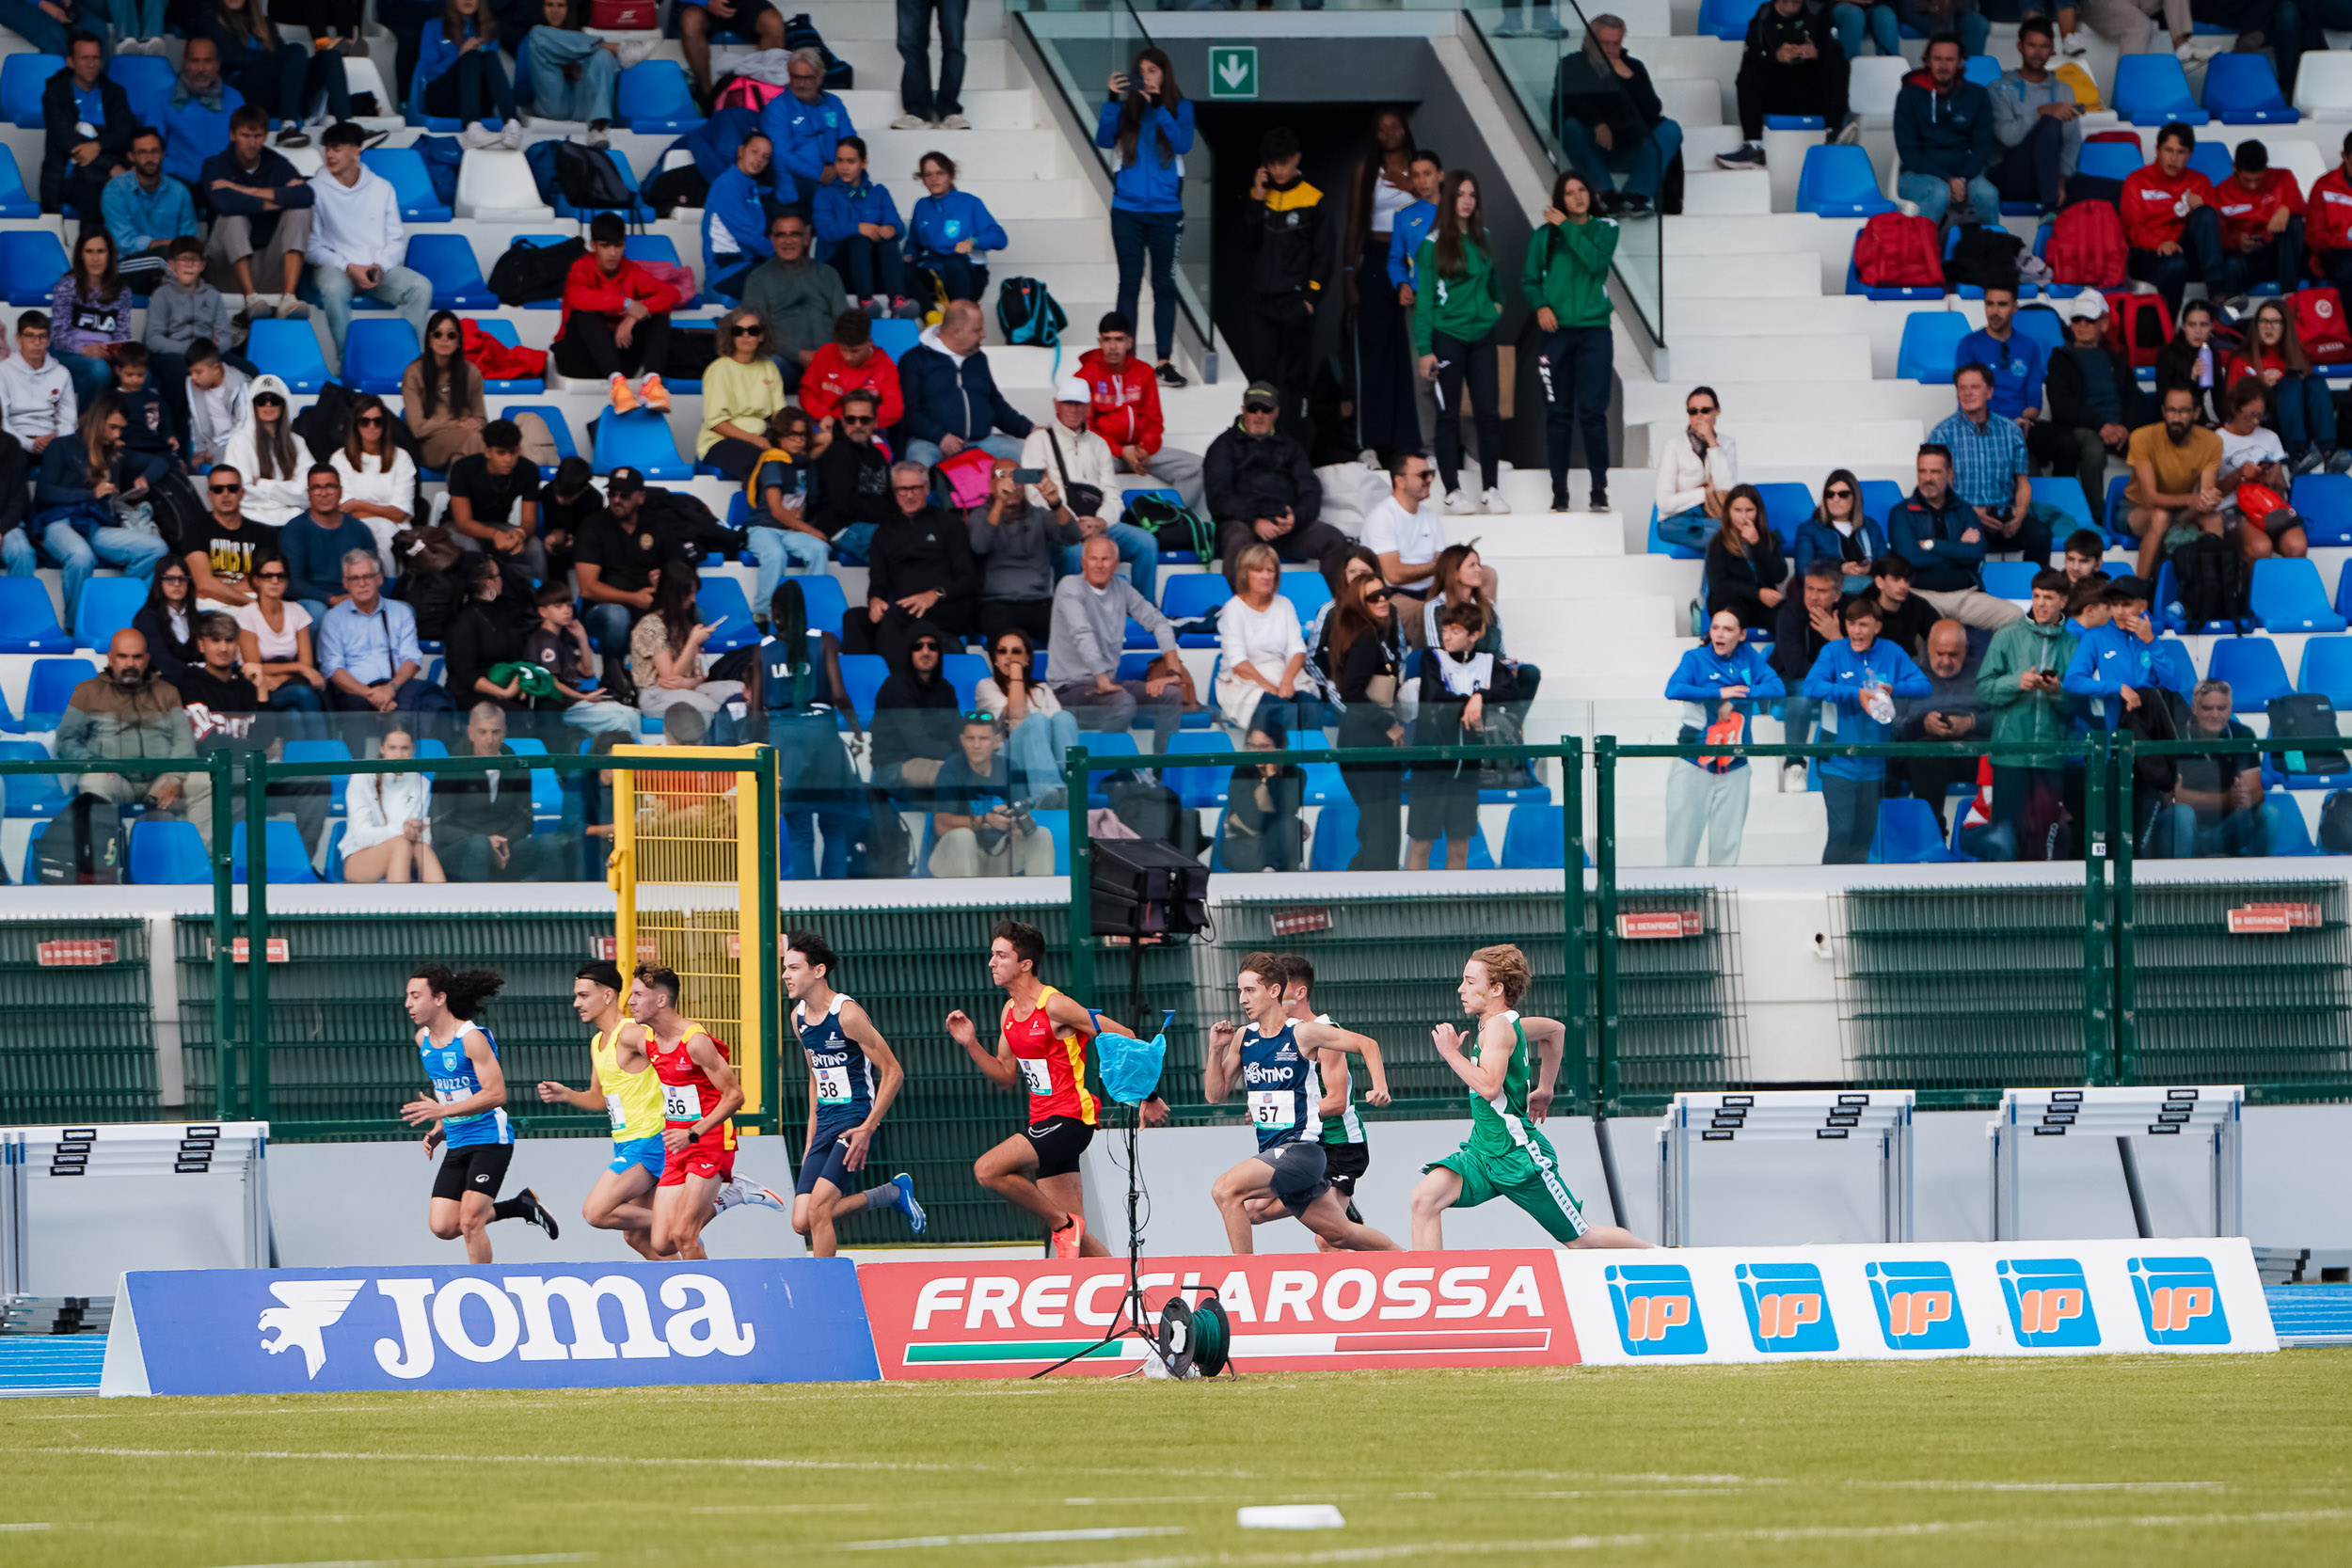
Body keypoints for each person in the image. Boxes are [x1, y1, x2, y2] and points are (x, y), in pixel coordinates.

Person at [1408, 944, 1647, 1250]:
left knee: (1582, 1240)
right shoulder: (1508, 1023)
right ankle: (1431, 1278)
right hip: (1483, 1152)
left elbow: (1489, 1087)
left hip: (1518, 1157)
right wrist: (1545, 1089)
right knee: (1424, 1200)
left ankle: (1665, 1257)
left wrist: (1451, 1053)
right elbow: (1555, 1031)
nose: (1461, 989)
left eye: (1470, 982)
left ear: (1496, 989)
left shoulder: (1497, 1029)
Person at [948, 919, 1133, 1258]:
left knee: (987, 1170)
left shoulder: (1055, 1005)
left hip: (1070, 1119)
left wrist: (1144, 1094)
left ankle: (1062, 1224)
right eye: (992, 955)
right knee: (1075, 1240)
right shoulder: (1009, 1011)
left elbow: (1125, 1036)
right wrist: (971, 1043)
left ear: (1025, 964)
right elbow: (1005, 1075)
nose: (991, 963)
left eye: (1001, 956)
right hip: (1043, 1121)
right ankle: (1124, 1284)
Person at [1203, 957, 1400, 1254]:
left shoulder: (1302, 1032)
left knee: (1225, 1190)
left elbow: (1366, 1044)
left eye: (1250, 990)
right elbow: (1215, 1095)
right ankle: (1408, 1259)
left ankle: (1244, 1275)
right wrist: (1215, 1049)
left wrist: (1380, 1086)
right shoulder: (1244, 1037)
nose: (1242, 999)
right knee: (1340, 1235)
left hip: (1302, 1151)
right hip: (1274, 1150)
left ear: (1274, 991)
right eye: (1240, 991)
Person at [395, 967, 556, 1264]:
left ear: (439, 998)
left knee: (471, 1221)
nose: (408, 1004)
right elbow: (448, 1090)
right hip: (458, 1141)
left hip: (489, 1138)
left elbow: (496, 1094)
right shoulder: (423, 1040)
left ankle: (480, 1284)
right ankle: (520, 1205)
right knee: (443, 1226)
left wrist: (442, 1111)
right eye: (408, 996)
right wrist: (440, 1126)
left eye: (415, 996)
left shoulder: (470, 1038)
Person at [783, 932, 922, 1258]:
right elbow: (815, 1076)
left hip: (854, 1121)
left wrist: (868, 1127)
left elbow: (893, 1071)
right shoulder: (798, 1018)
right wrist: (811, 1137)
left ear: (818, 971)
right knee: (801, 1221)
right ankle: (890, 1193)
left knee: (819, 1210)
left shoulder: (846, 1014)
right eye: (785, 968)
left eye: (794, 968)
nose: (786, 975)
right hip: (825, 1124)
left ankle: (824, 1284)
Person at [533, 962, 665, 1258]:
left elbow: (672, 1052)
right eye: (576, 996)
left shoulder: (630, 1034)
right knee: (638, 1237)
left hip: (649, 1140)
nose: (576, 1003)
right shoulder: (598, 1042)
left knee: (596, 1211)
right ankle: (689, 1262)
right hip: (625, 1142)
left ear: (607, 996)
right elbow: (598, 1098)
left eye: (583, 995)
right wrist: (566, 1094)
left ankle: (685, 1221)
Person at [631, 962, 755, 1261]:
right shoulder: (648, 1041)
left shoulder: (695, 1042)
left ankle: (710, 1290)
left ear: (661, 999)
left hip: (708, 1141)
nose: (630, 1002)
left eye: (638, 994)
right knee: (662, 1242)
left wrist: (693, 1132)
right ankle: (732, 1196)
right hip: (676, 1144)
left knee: (685, 1235)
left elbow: (735, 1096)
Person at [21, 396, 172, 627]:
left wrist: (144, 478)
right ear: (97, 421)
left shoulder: (114, 453)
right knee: (81, 556)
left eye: (121, 429)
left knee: (157, 549)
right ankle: (75, 627)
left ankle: (121, 610)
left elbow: (161, 462)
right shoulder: (62, 446)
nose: (117, 434)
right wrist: (91, 493)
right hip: (59, 521)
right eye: (113, 427)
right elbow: (45, 492)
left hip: (96, 525)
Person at [1804, 594, 1931, 862]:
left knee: (1864, 835)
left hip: (1874, 764)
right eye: (1851, 624)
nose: (1856, 631)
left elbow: (1924, 686)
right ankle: (1829, 886)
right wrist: (1855, 693)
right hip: (1837, 761)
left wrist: (1894, 689)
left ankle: (1854, 888)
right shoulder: (1833, 652)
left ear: (1877, 627)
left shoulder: (1892, 652)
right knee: (1842, 831)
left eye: (1863, 624)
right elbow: (1811, 686)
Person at [1275, 953, 1391, 1244]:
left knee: (1328, 1240)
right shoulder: (1286, 1037)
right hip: (1309, 1143)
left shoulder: (1325, 1033)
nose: (1272, 995)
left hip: (1341, 1145)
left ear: (1300, 992)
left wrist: (1286, 1112)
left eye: (1279, 988)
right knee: (1254, 1209)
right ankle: (1343, 1212)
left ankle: (1403, 1260)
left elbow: (1337, 1101)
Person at [58, 628, 215, 845]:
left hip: (162, 777)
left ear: (147, 659)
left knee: (204, 783)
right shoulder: (87, 692)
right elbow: (66, 740)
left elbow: (183, 740)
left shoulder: (167, 692)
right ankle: (105, 860)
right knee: (93, 782)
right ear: (110, 658)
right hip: (114, 777)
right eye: (123, 656)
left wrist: (175, 777)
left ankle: (202, 859)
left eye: (137, 657)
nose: (130, 663)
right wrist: (94, 763)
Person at [1095, 49, 1193, 387]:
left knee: (1165, 285)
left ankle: (1163, 361)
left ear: (1164, 73)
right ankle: (1127, 362)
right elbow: (1103, 139)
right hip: (1127, 212)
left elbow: (1182, 143)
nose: (1147, 76)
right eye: (1142, 71)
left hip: (1166, 213)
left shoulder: (1181, 108)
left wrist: (1159, 106)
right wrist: (1113, 99)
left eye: (1153, 70)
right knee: (1129, 284)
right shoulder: (1127, 111)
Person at [1413, 169, 1506, 516]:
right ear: (1450, 198)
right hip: (1447, 337)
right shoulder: (1432, 243)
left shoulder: (1484, 237)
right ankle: (1452, 490)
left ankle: (1491, 489)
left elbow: (1496, 284)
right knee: (1448, 415)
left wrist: (1494, 309)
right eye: (1461, 194)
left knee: (1488, 413)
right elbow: (1425, 301)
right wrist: (1425, 350)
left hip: (1482, 338)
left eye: (1472, 195)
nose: (1467, 201)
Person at [1523, 170, 1616, 514]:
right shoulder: (1543, 236)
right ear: (1560, 199)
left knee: (1593, 414)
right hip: (1555, 335)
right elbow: (1530, 280)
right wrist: (1541, 306)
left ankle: (1599, 490)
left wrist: (1565, 226)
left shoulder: (1606, 228)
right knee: (1558, 414)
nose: (1577, 197)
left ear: (1590, 193)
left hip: (1594, 332)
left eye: (1582, 190)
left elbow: (1596, 263)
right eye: (1569, 192)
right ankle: (1559, 492)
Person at [1407, 600, 1524, 871]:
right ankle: (1413, 897)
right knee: (1421, 845)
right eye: (1445, 629)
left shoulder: (1488, 663)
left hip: (1466, 771)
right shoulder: (1433, 658)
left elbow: (1513, 693)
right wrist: (1470, 702)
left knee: (1459, 847)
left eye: (1456, 631)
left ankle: (1452, 898)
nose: (1447, 636)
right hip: (1431, 769)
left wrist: (1480, 696)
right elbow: (1434, 697)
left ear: (1474, 636)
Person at [307, 122, 434, 367]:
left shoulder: (382, 188)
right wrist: (348, 266)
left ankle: (408, 363)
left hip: (376, 268)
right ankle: (347, 363)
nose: (329, 155)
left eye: (336, 148)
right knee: (333, 289)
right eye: (327, 148)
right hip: (336, 267)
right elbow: (311, 247)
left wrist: (380, 266)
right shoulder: (314, 189)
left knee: (421, 288)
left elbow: (396, 240)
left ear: (356, 150)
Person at [1665, 609, 1785, 866]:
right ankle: (1676, 892)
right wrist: (1719, 693)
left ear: (1741, 635)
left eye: (1728, 629)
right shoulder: (1695, 658)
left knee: (1727, 848)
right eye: (1715, 628)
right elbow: (1673, 689)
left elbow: (1777, 687)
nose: (1719, 634)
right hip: (1693, 761)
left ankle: (1719, 892)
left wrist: (1739, 695)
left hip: (1735, 763)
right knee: (1681, 846)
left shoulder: (1748, 656)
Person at [1025, 372, 1159, 603]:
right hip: (1059, 527)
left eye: (1079, 404)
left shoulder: (1099, 444)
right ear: (1056, 404)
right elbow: (1033, 493)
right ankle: (1067, 611)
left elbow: (1112, 491)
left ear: (1088, 407)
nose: (1073, 409)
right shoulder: (1037, 441)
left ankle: (1145, 611)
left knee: (1146, 542)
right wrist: (1072, 523)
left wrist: (1101, 522)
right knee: (1074, 553)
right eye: (1068, 403)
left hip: (1099, 525)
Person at [1976, 567, 2080, 860]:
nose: (2041, 604)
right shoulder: (2006, 636)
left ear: (2063, 600)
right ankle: (2005, 889)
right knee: (2007, 836)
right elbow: (1983, 690)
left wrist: (2057, 692)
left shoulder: (2073, 644)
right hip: (2010, 755)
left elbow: (2078, 705)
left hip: (2050, 756)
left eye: (2049, 597)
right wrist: (2016, 682)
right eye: (2036, 596)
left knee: (2046, 835)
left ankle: (2046, 888)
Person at [1047, 533, 1184, 745]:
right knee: (1123, 703)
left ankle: (1162, 764)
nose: (1099, 565)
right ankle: (1105, 763)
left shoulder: (1121, 588)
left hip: (1108, 684)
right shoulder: (1069, 586)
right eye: (1093, 558)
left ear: (1116, 564)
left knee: (1171, 695)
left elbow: (1158, 621)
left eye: (1105, 559)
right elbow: (1082, 634)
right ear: (1083, 562)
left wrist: (1173, 671)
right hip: (1069, 688)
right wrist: (1101, 678)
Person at [1204, 382, 1347, 578]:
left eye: (1266, 409)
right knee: (1237, 538)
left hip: (1286, 528)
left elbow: (1310, 490)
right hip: (1244, 524)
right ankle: (1235, 599)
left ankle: (1332, 599)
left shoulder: (1291, 447)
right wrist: (1255, 521)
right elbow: (1218, 497)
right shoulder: (1223, 446)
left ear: (1276, 412)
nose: (1259, 415)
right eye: (1253, 408)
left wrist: (1295, 519)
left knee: (1334, 540)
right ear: (1243, 410)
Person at [845, 460, 980, 661]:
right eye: (902, 489)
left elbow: (969, 579)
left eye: (915, 488)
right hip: (905, 608)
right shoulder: (884, 532)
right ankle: (861, 679)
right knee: (854, 618)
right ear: (894, 492)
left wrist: (935, 594)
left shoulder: (949, 524)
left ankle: (899, 678)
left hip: (945, 605)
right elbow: (878, 579)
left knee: (895, 616)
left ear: (926, 489)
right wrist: (875, 600)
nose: (909, 495)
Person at [1243, 124, 1327, 444]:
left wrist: (1310, 299)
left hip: (1296, 304)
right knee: (1261, 380)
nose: (1278, 169)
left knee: (1295, 381)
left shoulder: (1314, 199)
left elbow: (1324, 256)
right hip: (1263, 305)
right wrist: (1257, 197)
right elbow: (1249, 241)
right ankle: (1259, 447)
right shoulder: (1260, 196)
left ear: (1296, 159)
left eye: (1283, 162)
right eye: (1272, 163)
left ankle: (1294, 448)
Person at [1346, 108, 1420, 462]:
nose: (1390, 133)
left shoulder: (1420, 169)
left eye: (1396, 126)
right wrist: (1348, 274)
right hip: (1376, 259)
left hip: (1414, 260)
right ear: (1375, 134)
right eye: (1382, 129)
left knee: (1410, 352)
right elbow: (1354, 224)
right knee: (1375, 352)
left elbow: (1438, 213)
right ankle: (1371, 443)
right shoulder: (1366, 170)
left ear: (1406, 129)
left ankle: (1410, 441)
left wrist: (1414, 189)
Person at [1552, 16, 1681, 216]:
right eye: (1603, 43)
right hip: (1590, 148)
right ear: (1588, 41)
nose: (1609, 50)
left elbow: (1652, 112)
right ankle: (1606, 194)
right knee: (1571, 126)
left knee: (1670, 129)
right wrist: (1598, 123)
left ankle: (1635, 196)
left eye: (1615, 44)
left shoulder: (1632, 67)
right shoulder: (1570, 64)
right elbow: (1567, 102)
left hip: (1629, 146)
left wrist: (1628, 78)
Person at [1887, 442, 2023, 629]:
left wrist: (1933, 544)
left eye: (1935, 472)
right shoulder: (1901, 512)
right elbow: (1909, 558)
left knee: (2015, 616)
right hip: (1922, 596)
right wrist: (1958, 548)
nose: (1928, 478)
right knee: (1915, 624)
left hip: (1966, 596)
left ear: (1950, 474)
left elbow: (1975, 553)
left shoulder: (1964, 510)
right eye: (1922, 471)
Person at [1079, 312, 1205, 512]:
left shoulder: (1143, 371)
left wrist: (1145, 449)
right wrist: (1121, 451)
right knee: (1082, 468)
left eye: (1119, 339)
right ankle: (1102, 522)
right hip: (1106, 452)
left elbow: (1154, 419)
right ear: (1100, 342)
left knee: (1196, 467)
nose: (1113, 346)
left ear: (1129, 342)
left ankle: (1168, 519)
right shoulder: (1085, 375)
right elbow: (1087, 428)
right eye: (1107, 339)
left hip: (1142, 451)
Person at [1323, 571, 1406, 870]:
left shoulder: (1376, 632)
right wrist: (1388, 724)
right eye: (1373, 597)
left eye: (1385, 593)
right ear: (1360, 604)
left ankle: (1372, 882)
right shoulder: (1365, 637)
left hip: (1366, 737)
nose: (1382, 599)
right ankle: (1370, 886)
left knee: (1379, 824)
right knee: (1380, 826)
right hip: (1366, 739)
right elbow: (1352, 692)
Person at [557, 213, 683, 395]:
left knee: (660, 314)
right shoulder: (580, 268)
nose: (613, 253)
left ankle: (652, 382)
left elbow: (671, 293)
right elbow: (578, 297)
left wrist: (634, 316)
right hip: (579, 358)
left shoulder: (631, 270)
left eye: (618, 245)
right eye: (605, 246)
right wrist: (626, 304)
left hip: (621, 355)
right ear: (593, 245)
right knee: (583, 314)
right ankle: (617, 385)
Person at [1931, 363, 2044, 565]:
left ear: (1989, 392)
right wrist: (1974, 512)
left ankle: (2037, 585)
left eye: (1975, 387)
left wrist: (2019, 515)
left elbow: (2022, 481)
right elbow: (1937, 489)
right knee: (1965, 540)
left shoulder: (2011, 430)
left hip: (2004, 514)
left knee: (2040, 536)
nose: (1968, 393)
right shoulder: (1942, 434)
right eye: (1962, 388)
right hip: (1963, 515)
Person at [2035, 293, 2141, 507]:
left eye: (2089, 320)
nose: (2082, 325)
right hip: (2080, 427)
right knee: (2092, 448)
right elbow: (2061, 403)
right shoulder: (2061, 358)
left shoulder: (2116, 358)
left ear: (2103, 323)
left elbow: (2134, 397)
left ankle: (2146, 510)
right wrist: (2101, 425)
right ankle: (2097, 515)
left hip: (2118, 428)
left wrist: (2125, 427)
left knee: (2152, 443)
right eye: (2077, 319)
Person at [1722, 0, 1852, 172]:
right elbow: (1751, 61)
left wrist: (1816, 53)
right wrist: (1776, 57)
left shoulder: (1818, 13)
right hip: (1777, 96)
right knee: (1748, 75)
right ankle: (1754, 146)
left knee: (1838, 63)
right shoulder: (1763, 18)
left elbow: (1835, 52)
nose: (1791, 3)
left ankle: (1833, 133)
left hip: (1813, 95)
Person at [897, 300, 1031, 468]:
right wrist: (940, 437)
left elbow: (997, 406)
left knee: (1023, 459)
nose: (983, 335)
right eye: (977, 330)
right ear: (956, 331)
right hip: (930, 443)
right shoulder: (914, 359)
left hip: (982, 441)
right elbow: (909, 411)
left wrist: (1030, 430)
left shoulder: (978, 359)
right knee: (918, 468)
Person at [319, 548, 452, 717]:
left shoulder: (401, 612)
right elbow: (333, 670)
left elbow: (412, 660)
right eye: (354, 578)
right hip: (355, 691)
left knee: (434, 700)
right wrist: (371, 695)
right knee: (354, 708)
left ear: (380, 578)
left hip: (396, 685)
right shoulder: (333, 618)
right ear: (345, 583)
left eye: (368, 576)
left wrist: (390, 689)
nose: (362, 583)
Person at [201, 0, 349, 150]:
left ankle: (346, 127)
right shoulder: (210, 21)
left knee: (330, 57)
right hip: (242, 91)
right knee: (296, 51)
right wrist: (273, 59)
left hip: (274, 94)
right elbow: (231, 57)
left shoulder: (264, 23)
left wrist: (285, 61)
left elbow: (285, 59)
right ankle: (288, 127)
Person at [969, 457, 1082, 648]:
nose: (1012, 484)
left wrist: (1056, 503)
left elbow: (1072, 538)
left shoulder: (1040, 515)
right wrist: (999, 502)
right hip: (996, 603)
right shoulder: (979, 516)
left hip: (1038, 602)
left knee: (1072, 630)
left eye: (1017, 477)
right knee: (1001, 630)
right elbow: (980, 546)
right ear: (991, 486)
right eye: (1002, 476)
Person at [1889, 617, 1987, 834]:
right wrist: (1922, 724)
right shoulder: (1907, 673)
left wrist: (1971, 722)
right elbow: (1890, 724)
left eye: (1953, 654)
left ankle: (1988, 838)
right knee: (1924, 757)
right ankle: (1931, 834)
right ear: (1928, 648)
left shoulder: (1984, 671)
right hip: (1925, 754)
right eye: (1939, 653)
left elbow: (2003, 718)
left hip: (1973, 749)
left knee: (2004, 762)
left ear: (1965, 650)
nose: (1946, 661)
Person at [2063, 573, 2195, 734]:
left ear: (2142, 606)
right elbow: (2072, 681)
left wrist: (2151, 643)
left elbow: (2173, 684)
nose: (2119, 612)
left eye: (2126, 605)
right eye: (2114, 605)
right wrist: (2119, 688)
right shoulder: (2096, 637)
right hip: (2118, 729)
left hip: (2153, 726)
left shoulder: (2149, 637)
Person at [1893, 35, 1999, 227]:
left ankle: (1990, 246)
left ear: (1960, 63)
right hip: (1918, 174)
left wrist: (1963, 179)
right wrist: (1946, 179)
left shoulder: (1977, 95)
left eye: (1949, 60)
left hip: (1966, 174)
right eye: (1937, 59)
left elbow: (1983, 145)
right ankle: (1922, 245)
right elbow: (1908, 152)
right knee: (1938, 192)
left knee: (1988, 195)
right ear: (1927, 61)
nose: (1943, 66)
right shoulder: (1908, 96)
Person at [739, 212, 850, 397]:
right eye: (781, 235)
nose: (788, 241)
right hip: (783, 361)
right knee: (765, 371)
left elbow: (844, 321)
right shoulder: (758, 279)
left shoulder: (828, 274)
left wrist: (829, 356)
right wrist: (798, 355)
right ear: (772, 240)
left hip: (829, 363)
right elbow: (755, 331)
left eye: (795, 234)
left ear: (806, 238)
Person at [929, 714, 1053, 877]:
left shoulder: (1009, 767)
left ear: (996, 741)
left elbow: (1022, 811)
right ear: (962, 740)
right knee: (963, 836)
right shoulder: (951, 768)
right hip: (955, 858)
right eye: (971, 738)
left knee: (1040, 835)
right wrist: (985, 820)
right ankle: (966, 894)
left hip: (998, 854)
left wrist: (1015, 823)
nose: (976, 745)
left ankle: (1041, 892)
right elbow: (940, 825)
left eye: (983, 739)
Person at [2228, 297, 2343, 472]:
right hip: (2264, 423)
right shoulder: (2241, 360)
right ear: (2256, 325)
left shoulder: (2296, 357)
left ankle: (2328, 451)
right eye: (2264, 321)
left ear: (2285, 326)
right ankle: (2296, 455)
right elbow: (2231, 406)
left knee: (2316, 382)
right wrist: (2261, 387)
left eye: (2276, 322)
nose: (2269, 327)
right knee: (2290, 384)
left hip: (2299, 425)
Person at [2123, 385, 2224, 578]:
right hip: (2138, 508)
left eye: (2183, 411)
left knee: (2214, 519)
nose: (2176, 418)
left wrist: (2208, 499)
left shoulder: (2211, 442)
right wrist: (2192, 499)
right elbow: (2151, 498)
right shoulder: (2142, 437)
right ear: (2163, 411)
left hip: (2181, 510)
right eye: (2171, 410)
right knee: (2160, 515)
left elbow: (2205, 494)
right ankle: (2140, 587)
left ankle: (2211, 588)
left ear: (2196, 413)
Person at [2171, 678, 2280, 857]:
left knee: (2270, 814)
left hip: (2229, 825)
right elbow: (2173, 797)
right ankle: (2178, 875)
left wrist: (2244, 798)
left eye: (2221, 708)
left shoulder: (2243, 734)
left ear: (2230, 709)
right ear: (2194, 709)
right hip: (2189, 827)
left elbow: (2253, 792)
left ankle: (2257, 873)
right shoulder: (2175, 736)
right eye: (2207, 708)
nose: (2215, 714)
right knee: (2182, 815)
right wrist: (2225, 799)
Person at [2122, 122, 2221, 316]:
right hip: (2149, 254)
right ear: (2157, 150)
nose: (2174, 158)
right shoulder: (2137, 180)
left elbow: (2217, 231)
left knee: (2206, 213)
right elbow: (2132, 228)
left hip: (2188, 251)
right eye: (2168, 150)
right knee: (2175, 265)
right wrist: (2159, 243)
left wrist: (2200, 208)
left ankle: (2217, 292)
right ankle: (2169, 330)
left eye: (2181, 152)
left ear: (2189, 155)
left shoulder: (2200, 182)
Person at [738, 407, 832, 612]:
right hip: (763, 528)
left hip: (791, 531)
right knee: (775, 555)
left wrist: (815, 431)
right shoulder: (773, 461)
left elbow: (826, 439)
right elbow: (776, 510)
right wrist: (810, 530)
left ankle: (810, 610)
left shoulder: (804, 461)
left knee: (819, 549)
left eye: (803, 435)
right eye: (792, 435)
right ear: (779, 436)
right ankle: (764, 614)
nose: (798, 441)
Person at [629, 561, 741, 725]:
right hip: (656, 695)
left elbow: (699, 676)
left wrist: (689, 682)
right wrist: (693, 642)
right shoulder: (651, 625)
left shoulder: (684, 622)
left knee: (739, 690)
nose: (693, 599)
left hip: (688, 688)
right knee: (715, 710)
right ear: (674, 594)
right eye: (689, 594)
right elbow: (670, 678)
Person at [1987, 18, 2079, 214]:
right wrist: (2040, 113)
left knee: (2111, 188)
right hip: (2011, 176)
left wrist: (2061, 180)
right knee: (2050, 122)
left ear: (2052, 49)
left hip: (2051, 177)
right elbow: (2007, 137)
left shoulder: (2064, 90)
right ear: (2020, 47)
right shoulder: (1999, 88)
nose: (2038, 52)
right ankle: (2051, 209)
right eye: (2032, 45)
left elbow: (2072, 141)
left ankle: (2052, 200)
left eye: (2044, 46)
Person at [810, 136, 910, 316]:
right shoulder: (825, 194)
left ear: (863, 163)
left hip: (872, 271)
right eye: (840, 160)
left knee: (889, 242)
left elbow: (899, 227)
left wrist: (891, 229)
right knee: (859, 240)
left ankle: (898, 300)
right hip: (839, 271)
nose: (844, 167)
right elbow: (825, 230)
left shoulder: (879, 192)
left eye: (851, 161)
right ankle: (865, 300)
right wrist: (858, 228)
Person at [974, 626, 1075, 801]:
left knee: (1064, 718)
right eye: (1002, 651)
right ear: (995, 659)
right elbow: (1017, 714)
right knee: (1036, 720)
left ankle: (1071, 789)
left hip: (1045, 758)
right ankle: (1046, 792)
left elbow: (1057, 731)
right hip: (1007, 759)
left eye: (1016, 651)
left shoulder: (1042, 689)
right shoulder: (986, 686)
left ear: (1027, 657)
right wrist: (1016, 673)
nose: (1009, 656)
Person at [1216, 543, 1308, 737]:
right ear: (1245, 574)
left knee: (1310, 705)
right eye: (1259, 570)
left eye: (1270, 570)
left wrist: (1286, 682)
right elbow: (1238, 661)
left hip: (1284, 675)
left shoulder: (1285, 604)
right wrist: (1269, 687)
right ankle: (1273, 756)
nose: (1266, 576)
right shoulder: (1233, 608)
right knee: (1275, 707)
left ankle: (1311, 756)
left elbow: (1298, 650)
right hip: (1246, 681)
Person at [41, 34, 135, 224]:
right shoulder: (54, 95)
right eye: (85, 58)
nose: (91, 64)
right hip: (67, 177)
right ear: (71, 62)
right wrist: (110, 165)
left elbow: (125, 133)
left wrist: (97, 146)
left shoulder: (114, 93)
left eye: (95, 58)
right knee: (93, 192)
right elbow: (68, 141)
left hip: (108, 176)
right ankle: (93, 244)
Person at [231, 552, 326, 737]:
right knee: (303, 694)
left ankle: (308, 755)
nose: (275, 581)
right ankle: (325, 753)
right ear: (256, 581)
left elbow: (307, 663)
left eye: (280, 576)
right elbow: (254, 668)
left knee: (292, 715)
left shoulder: (297, 611)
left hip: (288, 683)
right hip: (260, 689)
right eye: (268, 576)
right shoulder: (247, 615)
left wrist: (283, 676)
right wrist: (298, 667)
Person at [525, 0, 644, 141]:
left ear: (569, 9)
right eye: (549, 5)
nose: (555, 11)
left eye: (561, 5)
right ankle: (616, 47)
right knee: (536, 33)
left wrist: (579, 69)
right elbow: (522, 87)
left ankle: (598, 127)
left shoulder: (582, 34)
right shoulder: (533, 39)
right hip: (553, 103)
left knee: (603, 55)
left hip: (582, 103)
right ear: (541, 8)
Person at [145, 241, 231, 434]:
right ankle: (174, 436)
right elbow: (153, 339)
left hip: (207, 354)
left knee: (249, 370)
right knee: (177, 372)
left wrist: (212, 351)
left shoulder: (213, 295)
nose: (190, 265)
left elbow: (225, 336)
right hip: (173, 354)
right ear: (172, 264)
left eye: (195, 260)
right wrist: (190, 351)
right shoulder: (161, 295)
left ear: (203, 265)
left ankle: (236, 436)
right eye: (184, 259)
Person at [572, 467, 661, 654]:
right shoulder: (593, 526)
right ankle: (613, 667)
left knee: (695, 613)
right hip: (603, 609)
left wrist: (664, 582)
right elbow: (587, 588)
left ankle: (674, 670)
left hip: (649, 602)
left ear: (641, 497)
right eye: (612, 494)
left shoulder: (658, 524)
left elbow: (679, 569)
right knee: (617, 615)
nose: (616, 500)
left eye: (624, 495)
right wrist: (634, 598)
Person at [1362, 451, 1448, 644]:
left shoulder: (1430, 516)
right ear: (1399, 481)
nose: (1429, 480)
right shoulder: (1382, 516)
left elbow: (1443, 565)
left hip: (1431, 591)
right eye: (1423, 475)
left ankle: (1486, 655)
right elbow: (1394, 575)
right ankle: (1427, 662)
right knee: (1426, 612)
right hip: (1391, 594)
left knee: (1484, 575)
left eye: (1431, 474)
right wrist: (1435, 567)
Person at [340, 726, 445, 883]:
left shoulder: (421, 782)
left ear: (413, 749)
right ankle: (400, 899)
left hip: (409, 854)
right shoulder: (361, 778)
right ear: (382, 748)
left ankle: (442, 898)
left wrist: (412, 833)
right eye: (393, 748)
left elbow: (424, 834)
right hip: (360, 857)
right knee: (402, 844)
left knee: (421, 848)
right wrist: (404, 832)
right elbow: (361, 836)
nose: (398, 755)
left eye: (404, 748)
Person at [445, 420, 545, 582]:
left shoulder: (529, 470)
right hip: (456, 527)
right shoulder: (463, 468)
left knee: (535, 548)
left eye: (513, 452)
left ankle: (537, 595)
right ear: (488, 452)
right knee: (471, 549)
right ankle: (478, 595)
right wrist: (496, 535)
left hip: (500, 526)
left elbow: (529, 522)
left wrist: (519, 534)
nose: (508, 459)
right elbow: (463, 523)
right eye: (501, 453)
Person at [414, 0, 523, 150]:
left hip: (479, 101)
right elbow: (429, 73)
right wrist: (460, 54)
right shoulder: (433, 26)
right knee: (470, 56)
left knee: (490, 56)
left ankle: (512, 123)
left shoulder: (489, 29)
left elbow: (491, 75)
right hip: (443, 99)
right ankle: (472, 128)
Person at [697, 308, 788, 484]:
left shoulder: (769, 367)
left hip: (762, 436)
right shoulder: (718, 369)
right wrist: (755, 440)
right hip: (720, 442)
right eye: (738, 331)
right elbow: (716, 423)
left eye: (753, 330)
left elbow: (778, 414)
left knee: (795, 458)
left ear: (762, 336)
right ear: (730, 335)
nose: (746, 336)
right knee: (764, 464)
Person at [903, 150, 1005, 309]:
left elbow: (1000, 238)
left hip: (968, 274)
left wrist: (972, 242)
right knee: (902, 269)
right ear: (922, 179)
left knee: (953, 262)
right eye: (928, 174)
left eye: (940, 173)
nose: (934, 179)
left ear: (951, 176)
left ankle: (962, 315)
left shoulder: (970, 203)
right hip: (935, 272)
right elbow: (913, 243)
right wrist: (908, 256)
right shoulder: (922, 205)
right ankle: (930, 316)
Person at [101, 128, 197, 294]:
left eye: (154, 151)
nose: (149, 158)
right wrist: (167, 246)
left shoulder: (180, 192)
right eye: (142, 152)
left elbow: (189, 240)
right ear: (131, 156)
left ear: (163, 153)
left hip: (170, 265)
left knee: (197, 260)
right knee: (161, 257)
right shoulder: (115, 190)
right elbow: (124, 243)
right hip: (126, 266)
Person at [1772, 559, 1845, 778]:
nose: (1813, 596)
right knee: (1803, 694)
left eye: (1822, 591)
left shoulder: (1848, 613)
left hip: (1829, 681)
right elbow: (1797, 669)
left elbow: (1859, 664)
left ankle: (1826, 760)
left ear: (1837, 595)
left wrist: (1836, 638)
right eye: (1810, 588)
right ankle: (1794, 764)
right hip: (1789, 682)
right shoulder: (1790, 613)